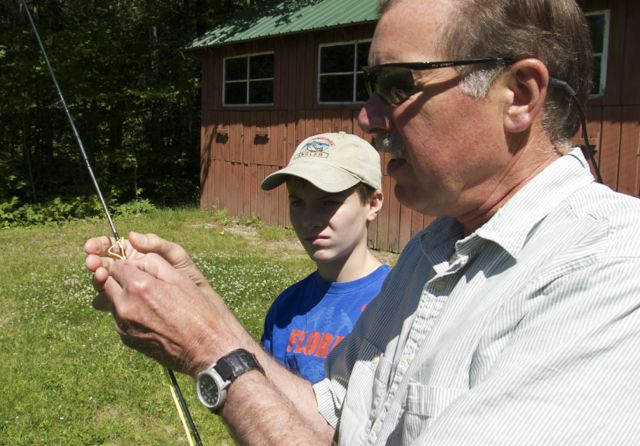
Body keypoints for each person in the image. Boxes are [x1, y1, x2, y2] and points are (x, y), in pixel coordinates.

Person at [84, 0, 640, 444]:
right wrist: (203, 311)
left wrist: (206, 348)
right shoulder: (433, 250)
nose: (368, 117)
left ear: (518, 95)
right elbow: (334, 416)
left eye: (400, 84)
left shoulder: (612, 268)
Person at [259, 132, 390, 383]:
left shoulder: (398, 304)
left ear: (373, 203)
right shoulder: (286, 308)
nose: (309, 220)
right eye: (297, 203)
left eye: (328, 202)